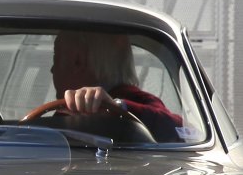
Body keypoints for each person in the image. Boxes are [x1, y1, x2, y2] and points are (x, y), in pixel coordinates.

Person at [49, 29, 183, 142]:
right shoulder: (64, 112)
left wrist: (116, 108)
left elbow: (181, 130)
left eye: (57, 58)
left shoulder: (138, 100)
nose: (52, 70)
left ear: (79, 61)